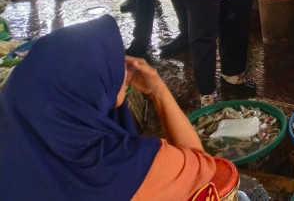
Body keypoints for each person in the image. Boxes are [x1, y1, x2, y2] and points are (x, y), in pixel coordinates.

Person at [0, 14, 217, 200]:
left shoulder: (15, 130)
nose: (123, 64)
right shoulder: (125, 165)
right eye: (113, 60)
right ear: (89, 83)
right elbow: (201, 172)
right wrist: (158, 90)